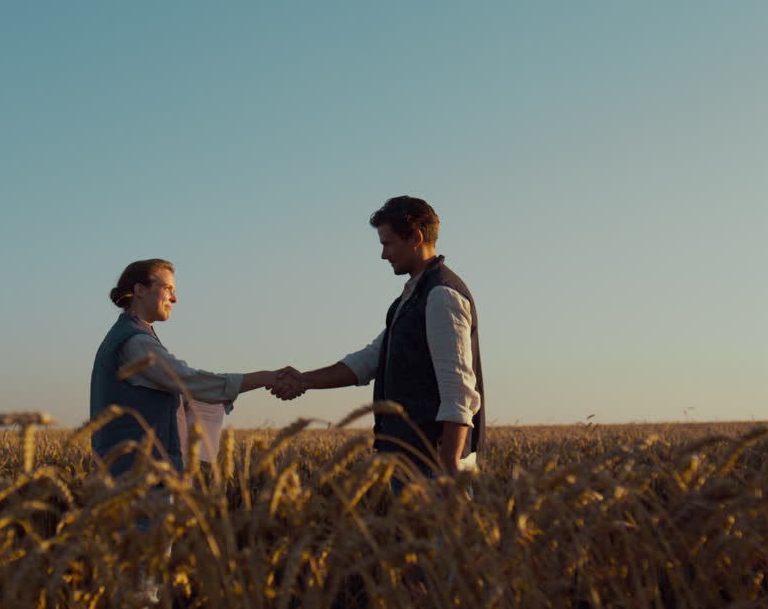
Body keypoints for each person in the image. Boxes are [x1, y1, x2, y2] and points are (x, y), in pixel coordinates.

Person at [272, 196, 484, 476]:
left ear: (416, 238)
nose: (384, 254)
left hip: (432, 465)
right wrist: (304, 380)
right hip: (411, 461)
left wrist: (449, 468)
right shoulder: (413, 298)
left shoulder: (441, 295)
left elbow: (458, 389)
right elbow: (371, 360)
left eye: (387, 243)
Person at [89, 258, 296, 476]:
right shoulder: (135, 342)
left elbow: (178, 387)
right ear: (140, 290)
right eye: (168, 288)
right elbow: (188, 380)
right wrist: (265, 378)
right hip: (140, 478)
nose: (175, 298)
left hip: (140, 473)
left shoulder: (133, 335)